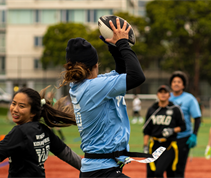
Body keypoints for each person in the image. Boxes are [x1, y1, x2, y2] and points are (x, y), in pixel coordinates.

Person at [59, 18, 146, 177]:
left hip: (98, 170)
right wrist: (122, 44)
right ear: (95, 65)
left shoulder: (84, 86)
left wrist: (114, 48)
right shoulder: (94, 87)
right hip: (101, 172)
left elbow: (121, 73)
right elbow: (137, 77)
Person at [0, 87, 81, 178]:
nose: (14, 109)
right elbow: (67, 154)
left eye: (21, 106)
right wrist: (91, 169)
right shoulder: (43, 129)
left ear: (33, 112)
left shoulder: (20, 132)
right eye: (13, 103)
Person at [143, 85, 186, 178]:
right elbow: (146, 130)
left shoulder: (175, 109)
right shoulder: (152, 110)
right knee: (150, 174)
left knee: (159, 172)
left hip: (168, 146)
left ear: (169, 95)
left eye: (165, 92)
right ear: (157, 95)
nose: (163, 94)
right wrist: (145, 146)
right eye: (160, 92)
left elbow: (183, 126)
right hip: (154, 144)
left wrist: (173, 130)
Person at [168, 71, 202, 178]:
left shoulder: (189, 98)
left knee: (179, 169)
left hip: (183, 138)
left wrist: (194, 134)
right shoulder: (166, 97)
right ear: (171, 84)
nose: (176, 84)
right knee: (168, 168)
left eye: (179, 82)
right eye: (174, 82)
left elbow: (197, 117)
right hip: (168, 139)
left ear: (183, 85)